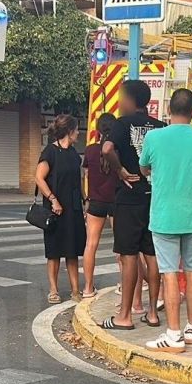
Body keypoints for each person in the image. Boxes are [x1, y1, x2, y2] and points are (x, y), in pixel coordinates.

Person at [139, 88, 192, 352]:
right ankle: (191, 329)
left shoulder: (153, 137)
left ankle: (173, 335)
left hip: (164, 216)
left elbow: (144, 166)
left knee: (169, 273)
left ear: (169, 110)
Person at [100, 80, 166, 330]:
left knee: (128, 256)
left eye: (121, 97)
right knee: (152, 255)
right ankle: (152, 313)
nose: (119, 102)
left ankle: (124, 316)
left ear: (129, 100)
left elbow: (106, 149)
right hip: (154, 197)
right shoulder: (160, 127)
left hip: (128, 199)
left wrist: (121, 171)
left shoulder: (121, 124)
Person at [34, 114, 86, 304]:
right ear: (69, 131)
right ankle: (53, 290)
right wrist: (53, 200)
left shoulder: (73, 153)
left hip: (73, 208)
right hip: (55, 209)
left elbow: (78, 179)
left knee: (72, 251)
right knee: (54, 251)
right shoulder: (50, 152)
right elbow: (39, 178)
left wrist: (84, 200)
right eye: (76, 129)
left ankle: (75, 290)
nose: (78, 133)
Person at [81, 112, 120, 298]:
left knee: (91, 244)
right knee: (121, 245)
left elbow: (86, 175)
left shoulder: (89, 151)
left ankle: (88, 288)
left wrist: (86, 198)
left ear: (97, 130)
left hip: (95, 202)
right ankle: (123, 284)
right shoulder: (118, 151)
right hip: (116, 202)